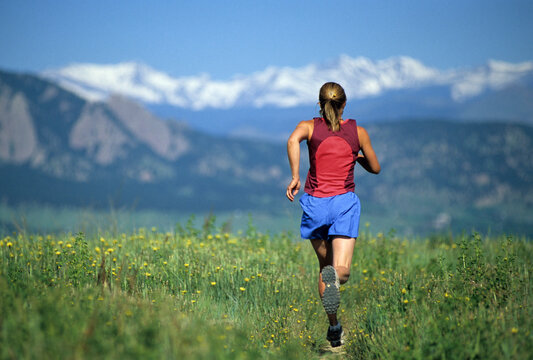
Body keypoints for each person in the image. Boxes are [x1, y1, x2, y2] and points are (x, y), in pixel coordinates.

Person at [286, 82, 380, 348]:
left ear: (319, 104)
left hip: (315, 204)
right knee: (342, 271)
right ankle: (336, 277)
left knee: (324, 268)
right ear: (345, 104)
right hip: (343, 205)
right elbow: (376, 167)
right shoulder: (357, 132)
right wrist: (357, 157)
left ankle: (334, 327)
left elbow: (292, 139)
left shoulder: (309, 126)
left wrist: (295, 176)